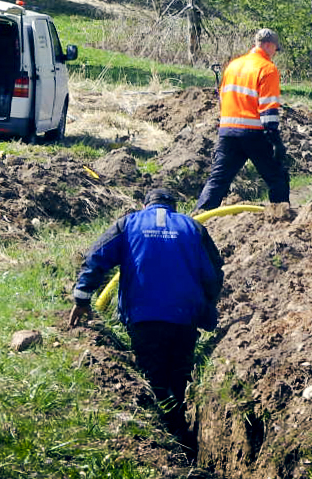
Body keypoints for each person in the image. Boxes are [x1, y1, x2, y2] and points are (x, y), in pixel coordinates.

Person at [69, 187, 224, 441]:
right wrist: (207, 309)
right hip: (185, 317)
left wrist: (82, 297)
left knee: (153, 378)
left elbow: (96, 258)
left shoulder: (128, 224)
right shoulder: (192, 227)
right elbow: (213, 274)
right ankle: (183, 428)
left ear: (145, 205)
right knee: (180, 375)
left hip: (143, 318)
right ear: (174, 206)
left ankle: (171, 432)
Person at [195, 29, 289, 211]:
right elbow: (268, 109)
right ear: (269, 45)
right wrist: (275, 140)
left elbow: (222, 97)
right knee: (277, 177)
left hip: (228, 131)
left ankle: (199, 220)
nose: (275, 54)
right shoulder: (267, 68)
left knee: (218, 180)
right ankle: (282, 218)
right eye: (276, 49)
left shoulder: (233, 65)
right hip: (254, 132)